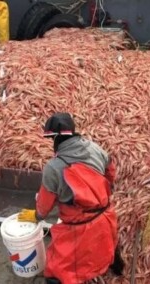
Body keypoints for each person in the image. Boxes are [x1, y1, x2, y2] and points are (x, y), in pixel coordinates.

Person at [17, 112, 124, 284]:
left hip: (79, 227)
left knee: (58, 268)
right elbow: (110, 172)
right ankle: (117, 266)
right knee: (108, 245)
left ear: (53, 139)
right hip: (106, 216)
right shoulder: (93, 147)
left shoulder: (53, 168)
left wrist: (36, 216)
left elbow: (45, 204)